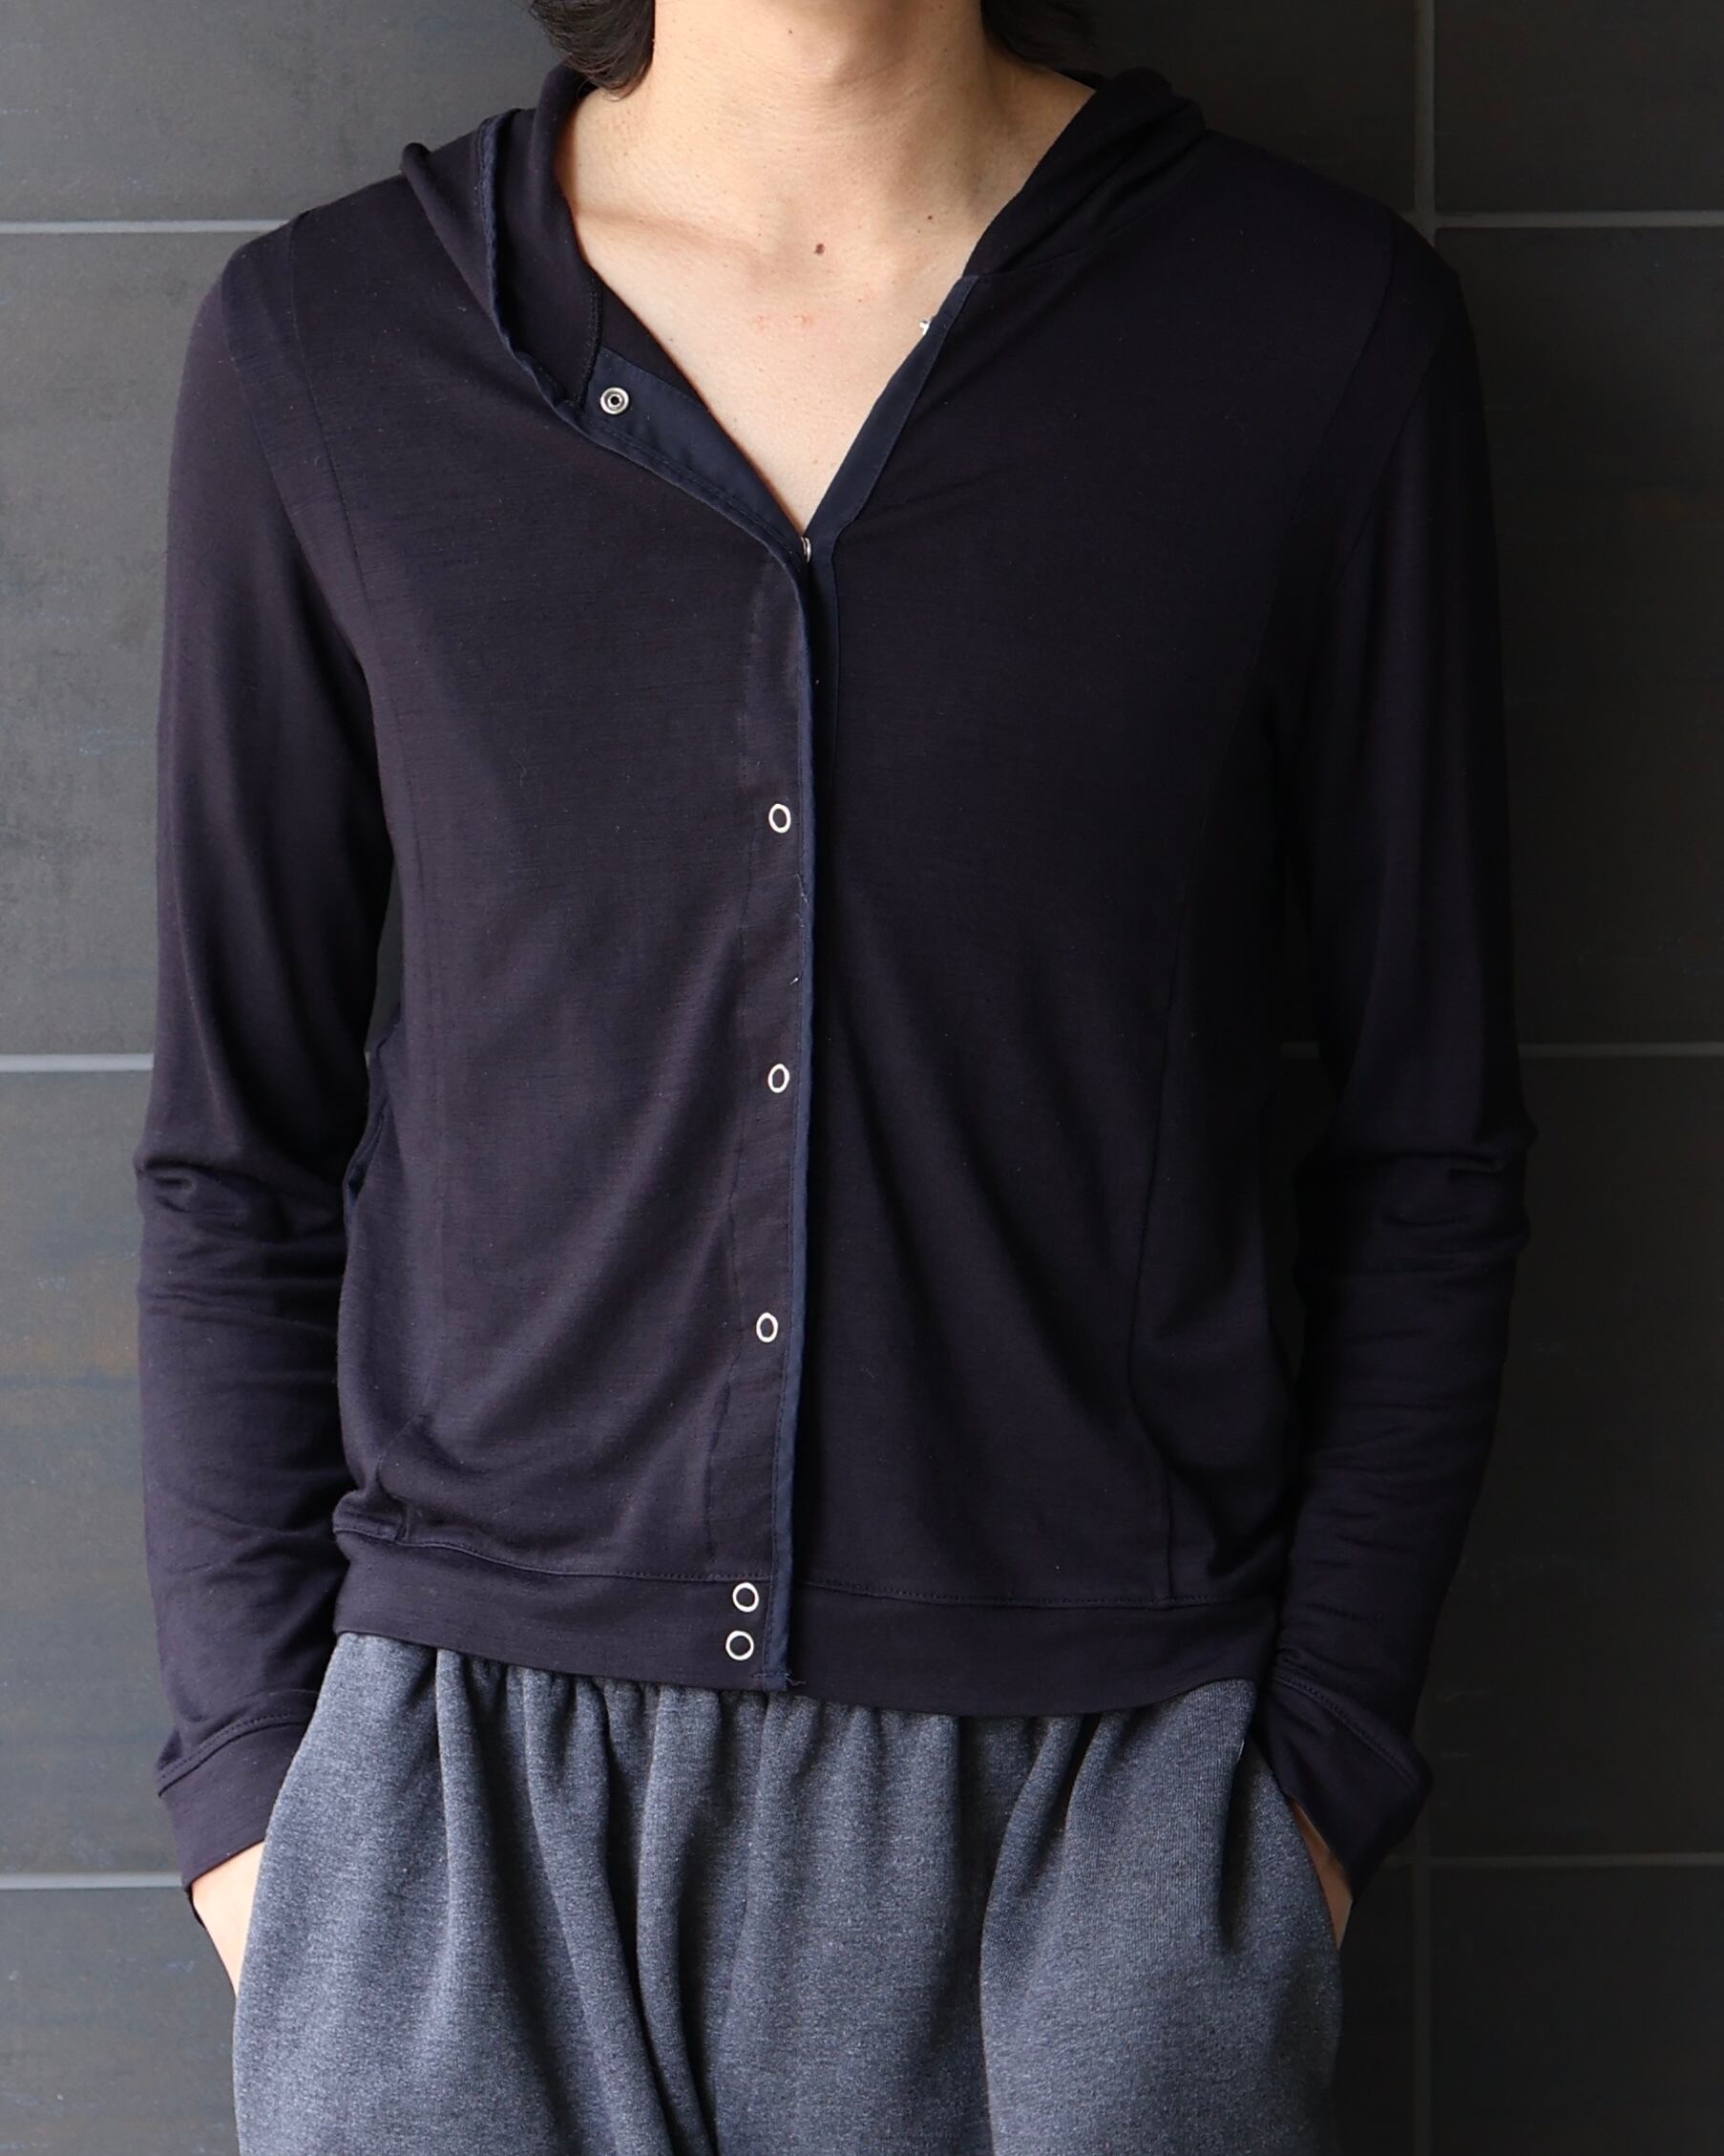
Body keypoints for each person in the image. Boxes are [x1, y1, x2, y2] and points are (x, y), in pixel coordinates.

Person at [132, 1, 1535, 2149]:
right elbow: (234, 1147)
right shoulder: (329, 349)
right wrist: (264, 1811)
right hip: (463, 1828)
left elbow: (1430, 1142)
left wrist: (1304, 1800)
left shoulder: (1310, 332)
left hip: (1103, 1822)